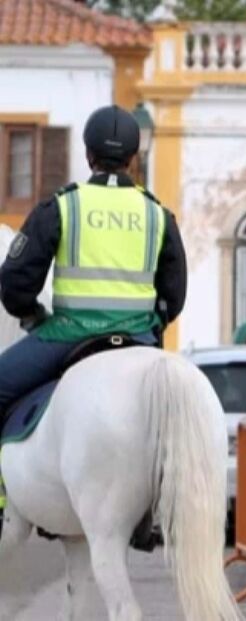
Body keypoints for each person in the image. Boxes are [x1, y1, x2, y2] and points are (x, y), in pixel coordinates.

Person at [0, 105, 187, 518]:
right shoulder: (159, 214)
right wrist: (149, 326)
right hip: (138, 340)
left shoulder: (62, 207)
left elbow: (14, 284)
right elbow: (174, 296)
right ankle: (160, 509)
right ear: (134, 159)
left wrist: (32, 315)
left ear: (88, 155)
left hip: (68, 336)